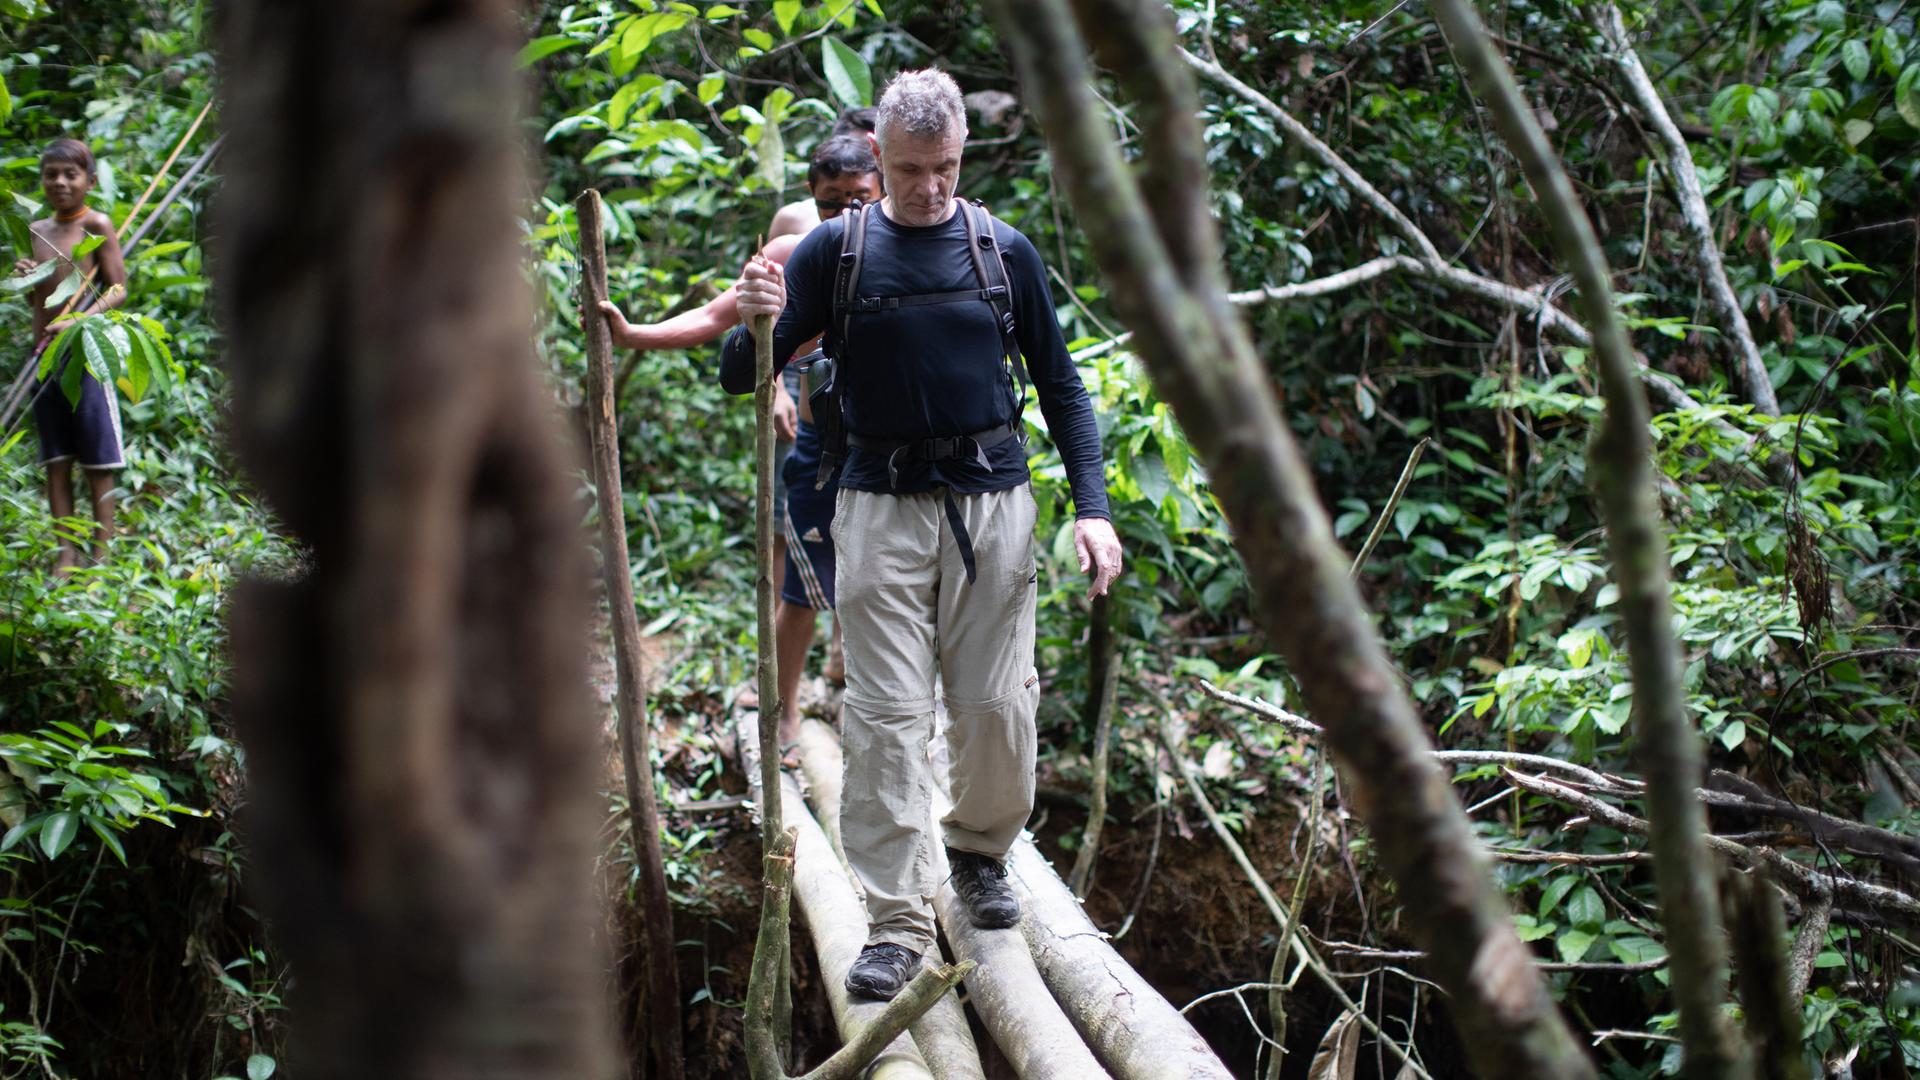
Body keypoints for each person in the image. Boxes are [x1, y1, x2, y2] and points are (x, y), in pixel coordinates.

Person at [721, 69, 1123, 1001]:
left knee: (994, 707)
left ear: (961, 158)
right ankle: (898, 921)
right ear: (880, 159)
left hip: (994, 504)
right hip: (878, 505)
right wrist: (756, 316)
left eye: (943, 168)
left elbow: (1061, 387)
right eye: (909, 170)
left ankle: (980, 850)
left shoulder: (1002, 250)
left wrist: (1093, 507)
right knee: (888, 717)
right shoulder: (835, 251)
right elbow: (747, 371)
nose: (928, 188)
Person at [600, 135, 882, 763]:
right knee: (803, 593)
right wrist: (633, 334)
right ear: (814, 200)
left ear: (882, 186)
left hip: (890, 458)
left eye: (859, 198)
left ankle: (872, 723)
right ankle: (780, 722)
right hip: (821, 447)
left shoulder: (913, 244)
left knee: (884, 592)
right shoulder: (794, 252)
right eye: (831, 203)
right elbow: (714, 316)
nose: (846, 214)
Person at [13, 138, 128, 574]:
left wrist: (79, 321)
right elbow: (38, 303)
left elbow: (118, 288)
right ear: (42, 180)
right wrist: (26, 278)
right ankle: (67, 553)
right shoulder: (37, 231)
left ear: (89, 181)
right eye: (51, 174)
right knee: (55, 459)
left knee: (98, 459)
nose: (60, 182)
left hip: (87, 355)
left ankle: (102, 553)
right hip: (45, 356)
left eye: (70, 174)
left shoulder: (97, 223)